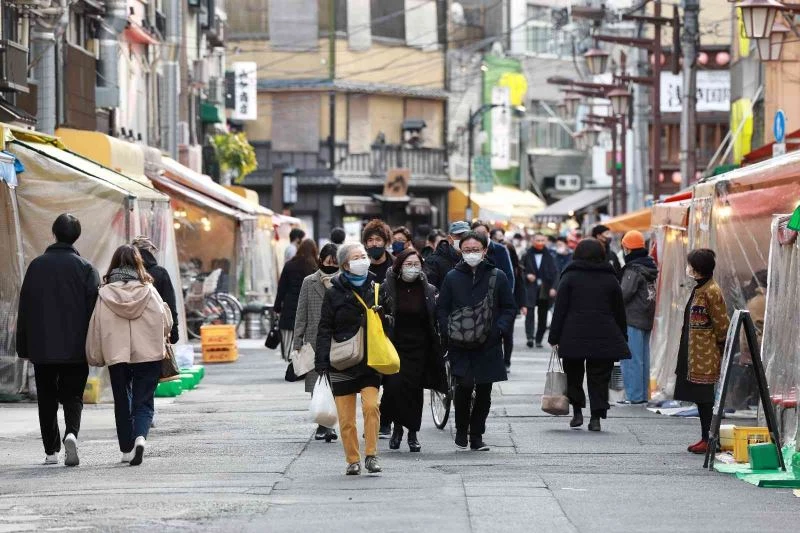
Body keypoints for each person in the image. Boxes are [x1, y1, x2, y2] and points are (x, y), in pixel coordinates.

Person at [16, 214, 100, 466]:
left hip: (42, 348)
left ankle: (51, 451)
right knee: (73, 396)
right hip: (76, 347)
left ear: (53, 234)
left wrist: (24, 346)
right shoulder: (86, 269)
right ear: (77, 236)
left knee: (47, 398)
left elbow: (25, 309)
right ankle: (71, 434)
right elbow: (94, 312)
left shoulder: (36, 266)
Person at [86, 245, 172, 466]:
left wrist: (96, 352)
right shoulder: (149, 290)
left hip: (117, 355)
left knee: (122, 401)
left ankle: (126, 449)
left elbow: (96, 326)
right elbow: (165, 323)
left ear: (114, 264)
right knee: (143, 401)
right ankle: (141, 438)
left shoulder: (104, 294)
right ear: (138, 263)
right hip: (148, 354)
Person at [315, 243, 392, 475]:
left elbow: (389, 323)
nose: (363, 260)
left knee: (371, 406)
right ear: (346, 265)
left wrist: (383, 318)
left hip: (369, 360)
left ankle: (371, 455)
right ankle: (352, 460)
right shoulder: (333, 292)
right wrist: (321, 362)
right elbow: (324, 328)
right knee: (346, 419)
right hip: (341, 360)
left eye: (364, 256)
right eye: (357, 257)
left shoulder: (376, 288)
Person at [437, 231, 516, 451]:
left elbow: (509, 307)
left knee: (484, 390)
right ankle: (461, 430)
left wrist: (498, 330)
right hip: (459, 343)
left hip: (488, 343)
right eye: (467, 250)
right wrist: (447, 330)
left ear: (485, 251)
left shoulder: (497, 275)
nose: (471, 253)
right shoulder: (452, 277)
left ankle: (476, 435)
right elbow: (442, 308)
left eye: (476, 250)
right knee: (463, 386)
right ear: (460, 251)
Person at [548, 238, 630, 432]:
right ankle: (596, 418)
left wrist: (554, 337)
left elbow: (560, 309)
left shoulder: (570, 276)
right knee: (599, 378)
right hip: (604, 335)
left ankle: (577, 412)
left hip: (572, 334)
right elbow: (620, 310)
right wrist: (622, 334)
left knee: (574, 375)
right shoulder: (610, 278)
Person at [382, 249, 445, 452]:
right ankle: (397, 427)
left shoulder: (428, 289)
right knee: (394, 388)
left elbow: (434, 317)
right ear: (399, 266)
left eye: (416, 264)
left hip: (420, 347)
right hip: (394, 346)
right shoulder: (387, 288)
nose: (413, 268)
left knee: (415, 392)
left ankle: (412, 433)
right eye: (408, 264)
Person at [675, 249, 730, 454]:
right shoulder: (700, 288)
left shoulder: (712, 291)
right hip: (693, 353)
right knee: (700, 397)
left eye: (691, 265)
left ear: (698, 269)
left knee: (705, 398)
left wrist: (723, 348)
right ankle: (705, 436)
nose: (688, 268)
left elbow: (721, 323)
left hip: (705, 354)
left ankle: (710, 439)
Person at [293, 243, 339, 442]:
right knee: (317, 383)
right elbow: (301, 313)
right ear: (320, 260)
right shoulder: (309, 282)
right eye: (328, 262)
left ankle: (332, 423)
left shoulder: (343, 282)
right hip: (313, 339)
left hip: (338, 339)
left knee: (336, 383)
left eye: (335, 262)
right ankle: (322, 424)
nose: (331, 265)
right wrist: (297, 342)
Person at [618, 231, 658, 405]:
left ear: (626, 247)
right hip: (646, 317)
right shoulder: (649, 266)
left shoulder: (633, 269)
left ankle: (634, 396)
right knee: (643, 359)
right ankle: (642, 395)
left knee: (631, 359)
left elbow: (623, 294)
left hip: (632, 318)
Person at [275, 239, 319, 360]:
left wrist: (277, 307)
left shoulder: (289, 265)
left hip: (290, 307)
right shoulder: (316, 266)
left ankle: (291, 359)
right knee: (306, 336)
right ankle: (304, 361)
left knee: (289, 334)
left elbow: (281, 288)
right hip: (308, 308)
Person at [132, 236, 179, 344]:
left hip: (132, 334)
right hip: (156, 330)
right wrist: (174, 330)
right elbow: (169, 303)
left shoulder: (125, 273)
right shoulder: (160, 272)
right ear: (150, 251)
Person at [522, 233, 559, 349]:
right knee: (530, 314)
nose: (540, 243)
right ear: (533, 241)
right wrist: (527, 275)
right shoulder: (526, 254)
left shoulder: (551, 256)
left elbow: (556, 273)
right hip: (530, 288)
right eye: (538, 240)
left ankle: (538, 339)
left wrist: (554, 287)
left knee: (542, 316)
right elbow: (519, 270)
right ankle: (530, 338)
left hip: (545, 289)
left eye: (542, 240)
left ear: (546, 241)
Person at [471, 220, 515, 292]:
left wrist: (507, 296)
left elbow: (508, 274)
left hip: (497, 293)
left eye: (484, 233)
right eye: (477, 233)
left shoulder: (500, 249)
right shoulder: (470, 248)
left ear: (488, 233)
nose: (480, 235)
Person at [423, 221, 468, 290]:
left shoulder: (472, 259)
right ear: (450, 239)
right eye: (459, 236)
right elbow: (430, 290)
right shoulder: (434, 261)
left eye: (466, 236)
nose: (463, 239)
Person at [504, 242, 528, 372]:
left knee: (508, 334)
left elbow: (520, 286)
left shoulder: (517, 269)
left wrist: (523, 304)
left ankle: (506, 361)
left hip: (511, 305)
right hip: (497, 304)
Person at [362, 219, 393, 284]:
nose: (374, 244)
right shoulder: (361, 266)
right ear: (366, 244)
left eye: (378, 239)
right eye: (370, 240)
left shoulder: (396, 265)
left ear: (386, 243)